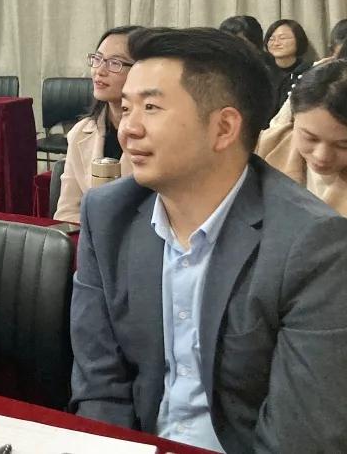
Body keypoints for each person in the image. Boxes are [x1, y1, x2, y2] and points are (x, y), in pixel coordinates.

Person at [70, 27, 347, 453]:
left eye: (151, 107)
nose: (128, 129)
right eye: (126, 108)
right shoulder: (108, 216)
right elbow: (99, 382)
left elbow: (299, 435)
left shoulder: (313, 244)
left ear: (224, 128)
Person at [53, 26, 139, 223]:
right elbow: (67, 212)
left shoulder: (157, 135)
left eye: (115, 63)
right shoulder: (80, 133)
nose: (99, 71)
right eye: (97, 59)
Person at [258, 60, 347, 216]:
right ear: (293, 118)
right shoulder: (267, 146)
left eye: (343, 145)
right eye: (310, 138)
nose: (322, 156)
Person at [264, 18, 313, 111]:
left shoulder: (309, 71)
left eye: (282, 38)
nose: (276, 43)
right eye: (271, 39)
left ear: (298, 40)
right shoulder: (262, 70)